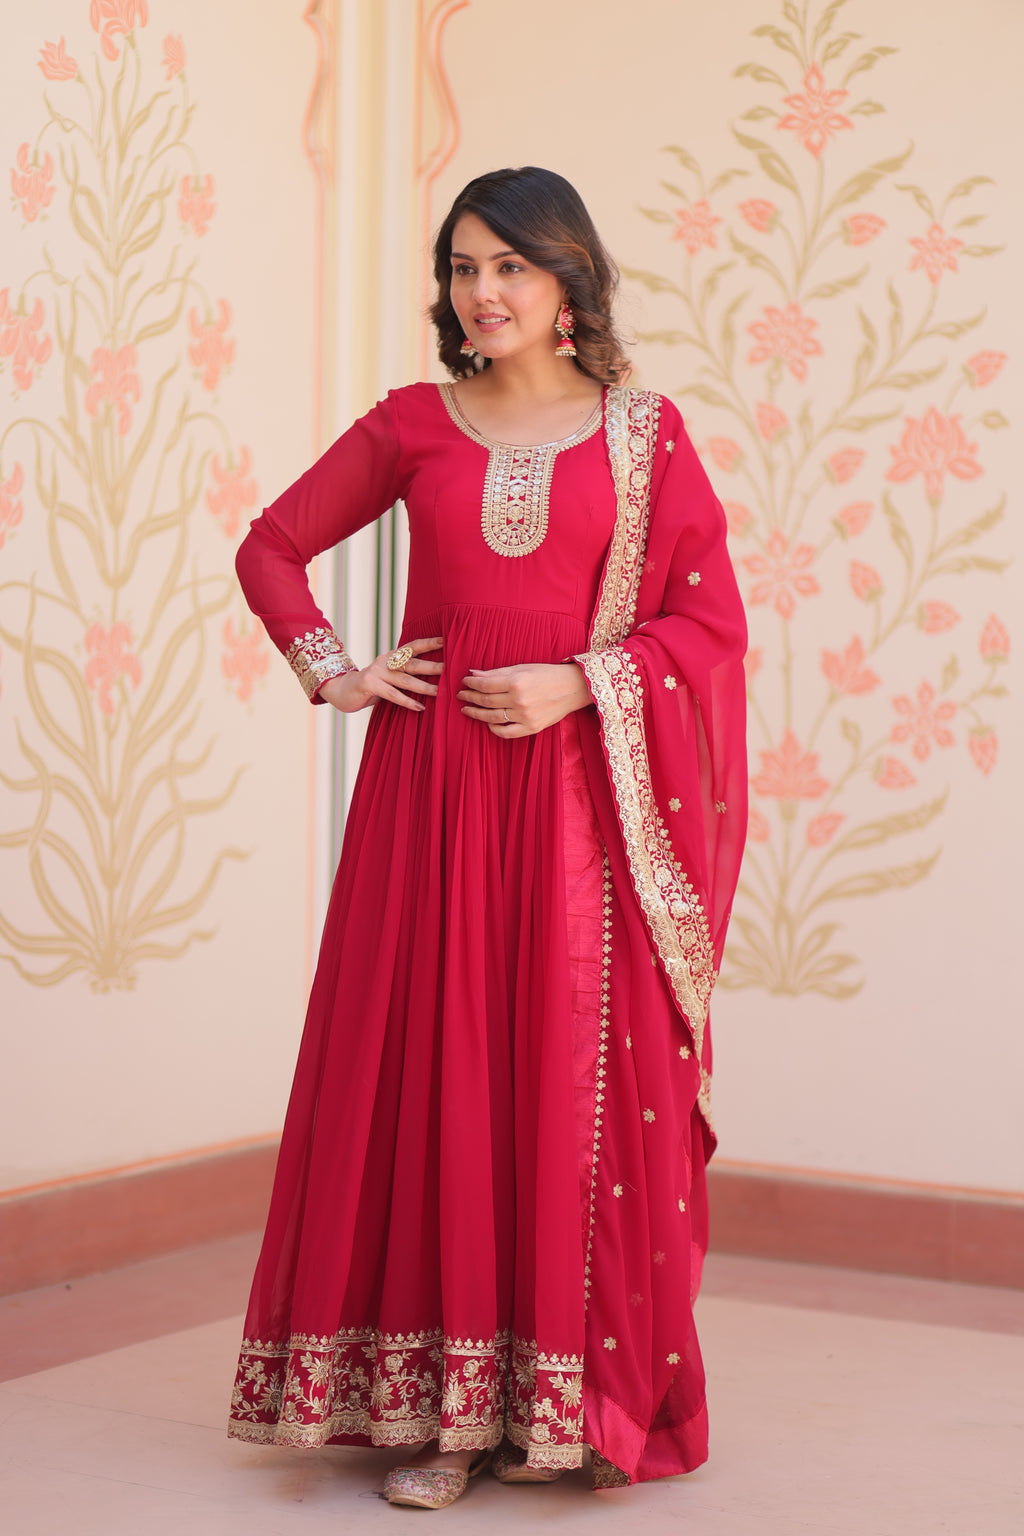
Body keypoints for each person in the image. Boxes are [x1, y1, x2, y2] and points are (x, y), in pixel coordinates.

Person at [227, 166, 747, 1510]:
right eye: (464, 268)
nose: (483, 292)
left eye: (510, 266)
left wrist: (582, 680)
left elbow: (705, 630)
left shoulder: (646, 437)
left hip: (577, 804)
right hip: (432, 796)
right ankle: (447, 1418)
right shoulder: (414, 425)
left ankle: (558, 1403)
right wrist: (337, 671)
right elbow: (271, 547)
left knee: (550, 1074)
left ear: (568, 278)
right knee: (437, 1066)